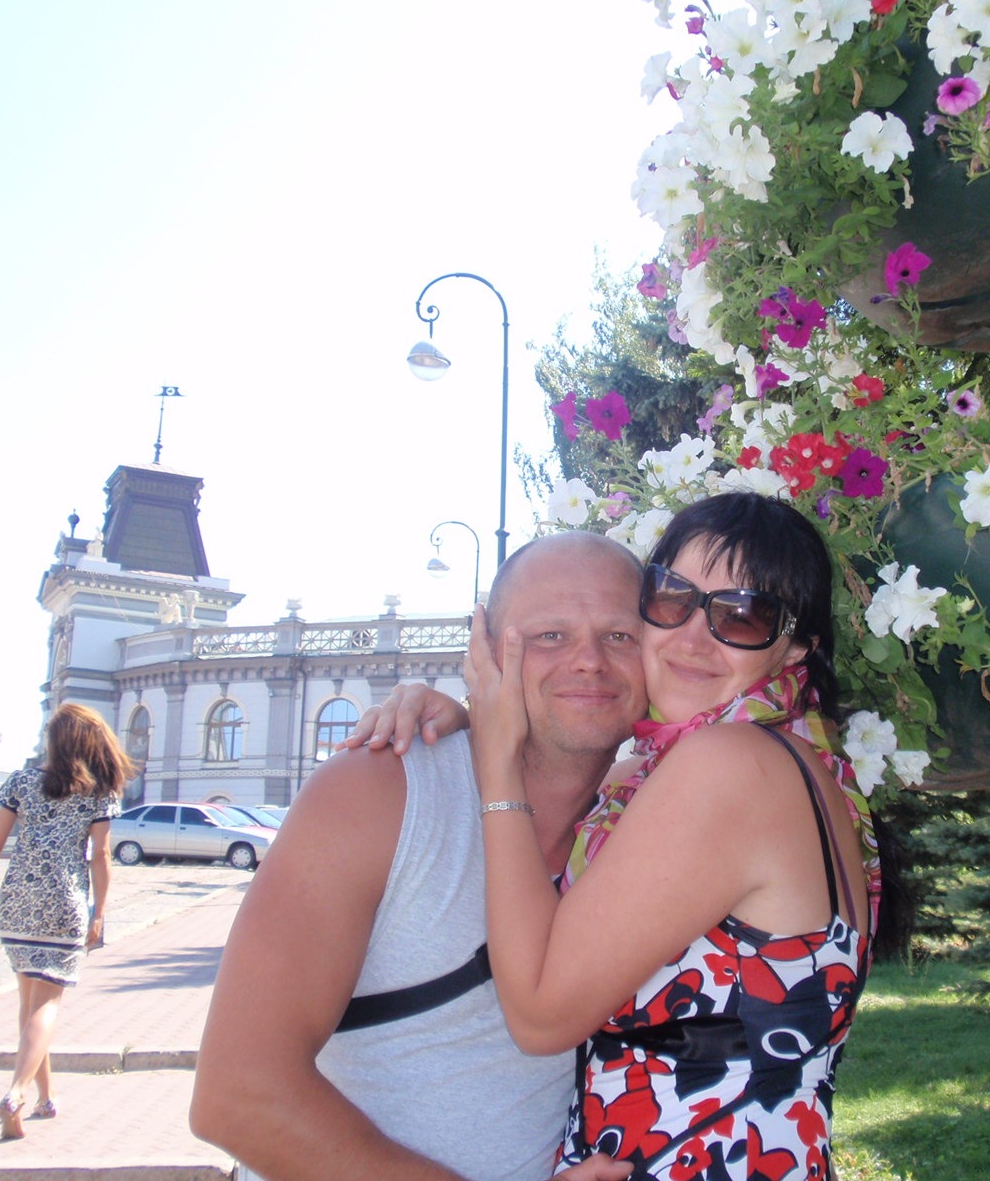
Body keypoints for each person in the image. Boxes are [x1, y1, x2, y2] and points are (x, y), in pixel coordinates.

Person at [189, 532, 642, 1181]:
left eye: (620, 636)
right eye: (550, 636)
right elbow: (238, 1097)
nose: (590, 661)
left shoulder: (645, 824)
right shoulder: (378, 793)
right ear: (484, 651)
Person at [465, 492, 882, 1180]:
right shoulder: (795, 761)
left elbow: (539, 1017)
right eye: (673, 598)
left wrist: (496, 760)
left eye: (742, 616)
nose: (692, 637)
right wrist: (451, 716)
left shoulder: (728, 766)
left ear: (795, 646)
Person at [0, 702, 129, 1139]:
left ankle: (46, 1096)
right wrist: (99, 913)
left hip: (17, 899)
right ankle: (17, 1093)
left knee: (29, 1004)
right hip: (64, 901)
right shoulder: (99, 793)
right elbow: (100, 856)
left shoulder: (21, 782)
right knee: (47, 1005)